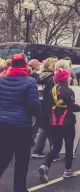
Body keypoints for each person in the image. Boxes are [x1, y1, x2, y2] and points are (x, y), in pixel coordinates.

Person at [38, 68, 80, 183]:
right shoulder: (69, 91)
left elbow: (48, 105)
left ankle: (45, 166)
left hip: (54, 123)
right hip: (67, 123)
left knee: (56, 147)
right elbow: (71, 107)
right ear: (65, 78)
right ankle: (67, 170)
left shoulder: (52, 90)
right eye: (69, 76)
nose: (70, 77)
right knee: (69, 147)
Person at [0, 53, 42, 192]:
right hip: (21, 126)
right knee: (22, 160)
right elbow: (33, 105)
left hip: (3, 124)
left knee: (3, 157)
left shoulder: (2, 80)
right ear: (25, 65)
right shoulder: (30, 82)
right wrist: (42, 119)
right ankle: (19, 188)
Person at [31, 57, 58, 159]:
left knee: (44, 128)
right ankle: (48, 151)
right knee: (48, 128)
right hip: (48, 105)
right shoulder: (51, 78)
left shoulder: (40, 76)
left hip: (40, 104)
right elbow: (52, 93)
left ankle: (38, 149)